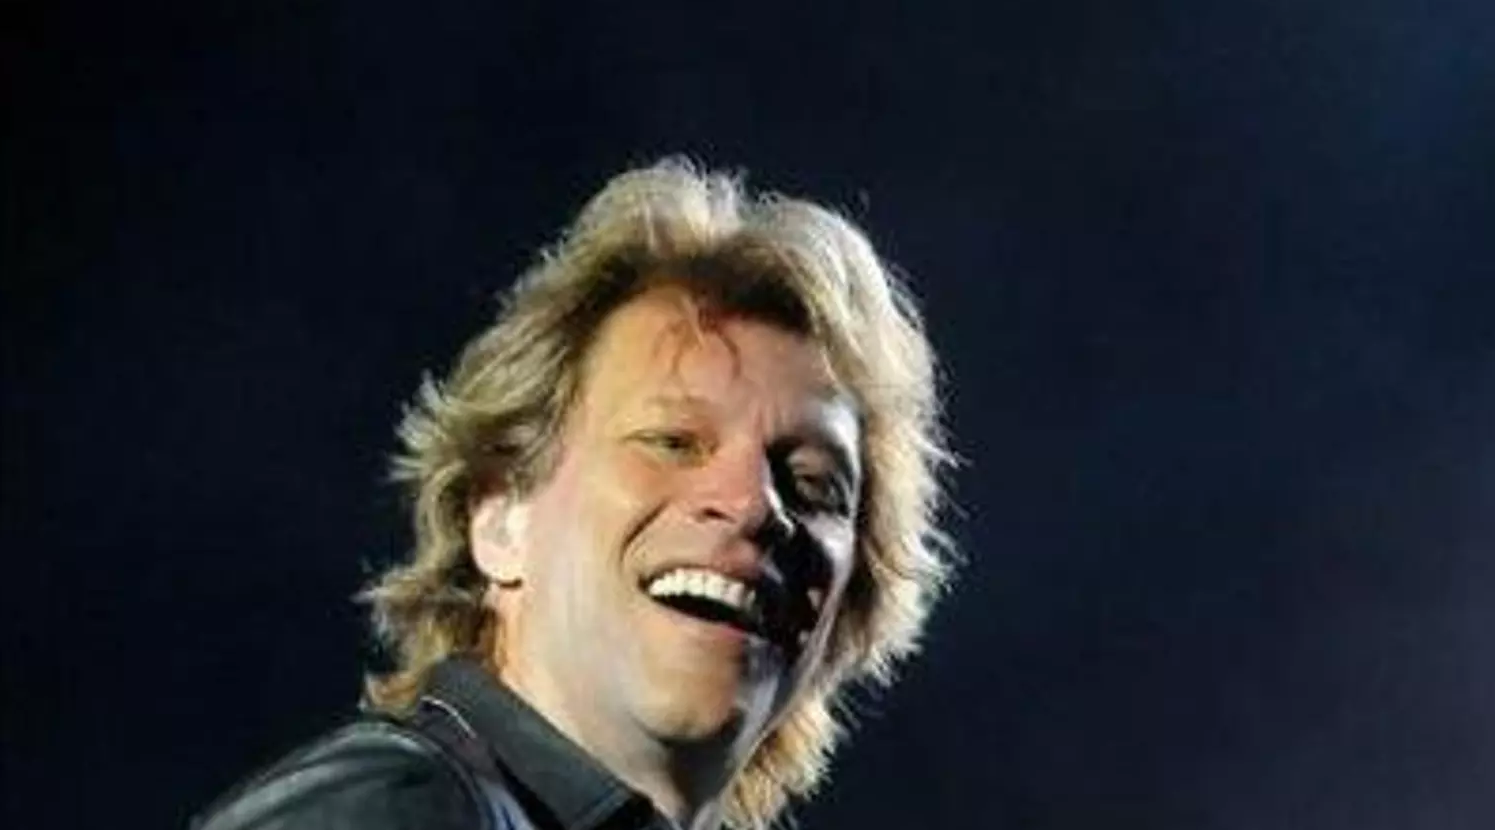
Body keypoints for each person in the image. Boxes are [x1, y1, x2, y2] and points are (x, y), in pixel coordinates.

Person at [191, 159, 957, 830]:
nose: (757, 504)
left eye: (815, 485)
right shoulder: (392, 812)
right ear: (501, 519)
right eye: (673, 441)